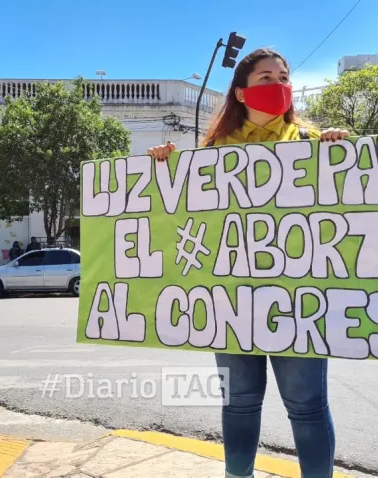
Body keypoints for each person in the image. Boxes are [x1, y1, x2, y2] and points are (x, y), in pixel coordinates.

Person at [148, 47, 349, 478]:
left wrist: (340, 152)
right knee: (238, 402)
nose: (278, 85)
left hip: (298, 299)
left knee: (307, 406)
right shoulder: (211, 153)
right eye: (266, 78)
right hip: (232, 300)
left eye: (284, 78)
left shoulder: (313, 143)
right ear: (241, 92)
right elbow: (183, 222)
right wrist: (163, 167)